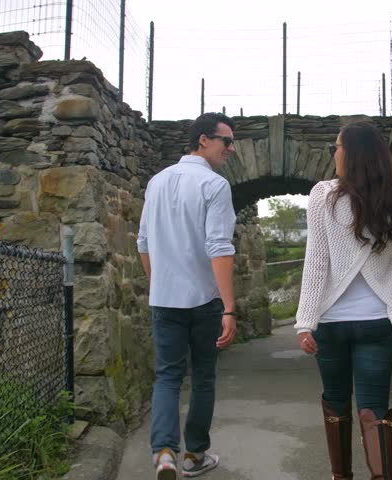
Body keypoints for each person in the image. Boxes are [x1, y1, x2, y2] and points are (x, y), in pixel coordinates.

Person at [295, 121, 392, 480]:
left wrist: (304, 322)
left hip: (331, 324)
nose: (334, 153)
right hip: (378, 321)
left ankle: (340, 477)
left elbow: (316, 262)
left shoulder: (323, 196)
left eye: (338, 147)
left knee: (336, 403)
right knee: (373, 411)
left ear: (353, 153)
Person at [137, 112, 239, 479]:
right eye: (225, 141)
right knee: (204, 377)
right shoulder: (214, 186)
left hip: (164, 300)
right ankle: (195, 455)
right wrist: (229, 307)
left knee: (167, 376)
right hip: (205, 300)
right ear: (202, 140)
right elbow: (219, 245)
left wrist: (158, 282)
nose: (231, 148)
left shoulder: (157, 182)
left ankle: (164, 452)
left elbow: (143, 241)